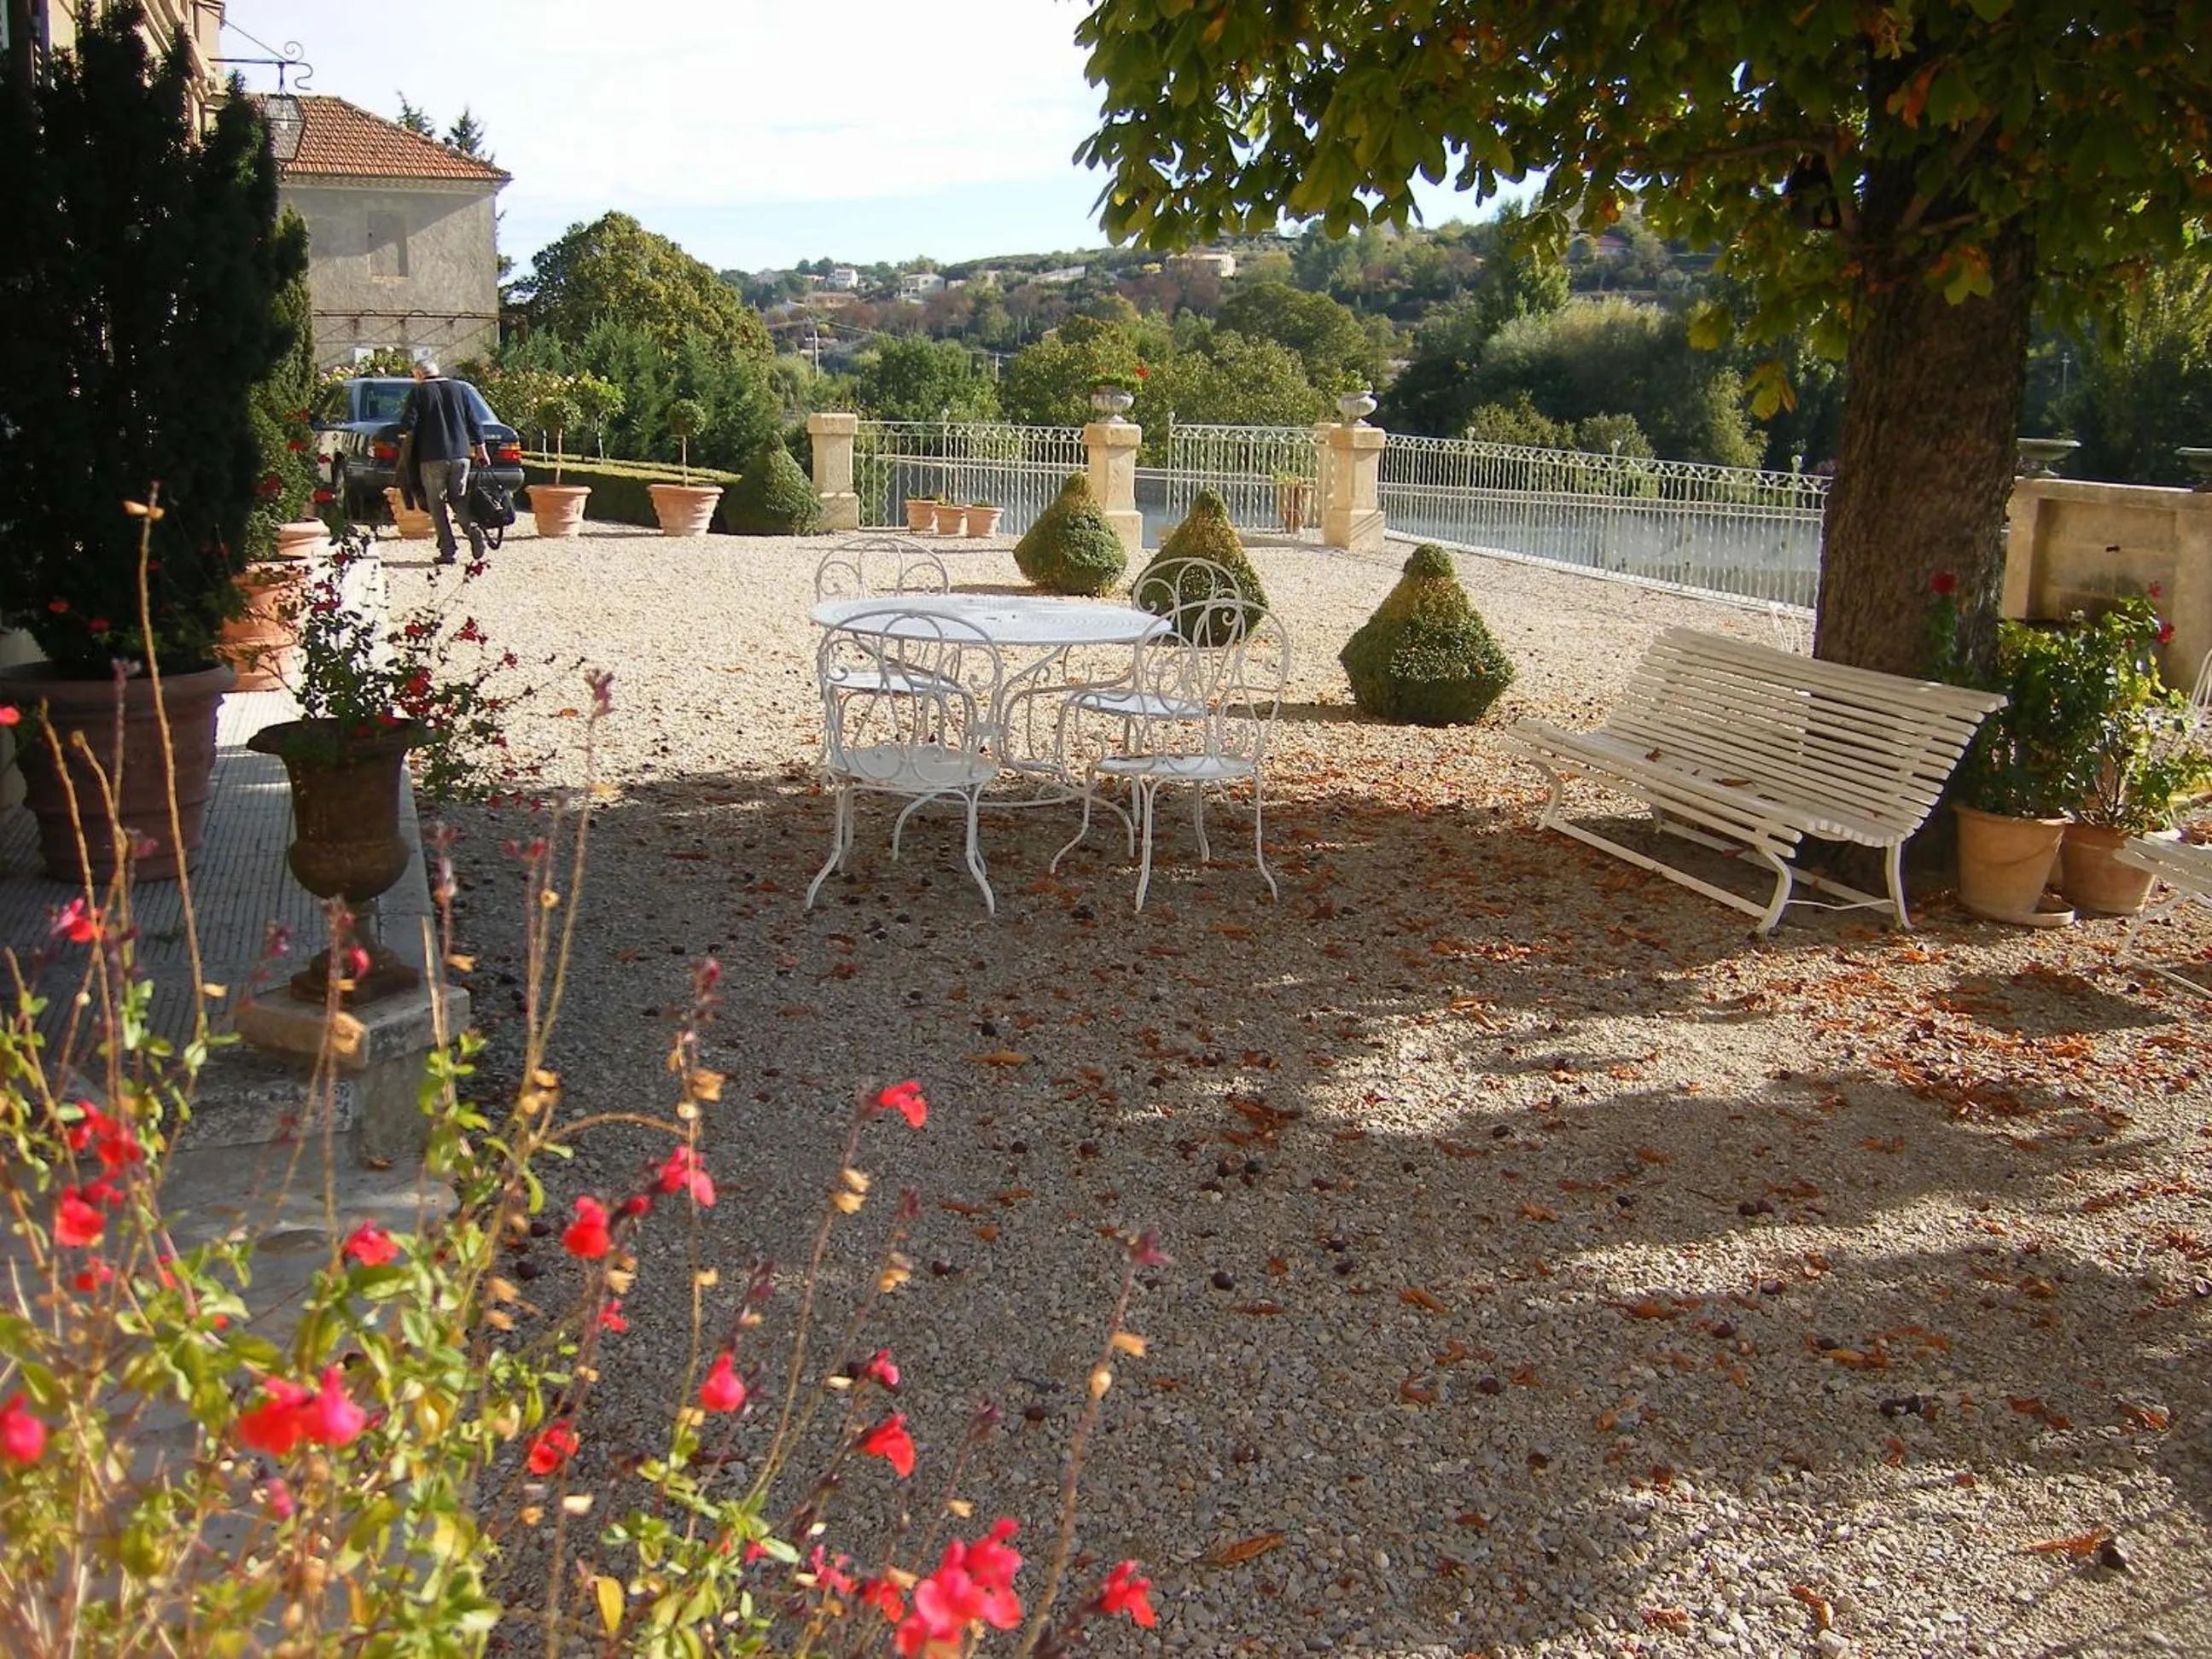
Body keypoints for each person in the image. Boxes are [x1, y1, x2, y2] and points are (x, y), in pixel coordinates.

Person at [397, 358, 488, 565]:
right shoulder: (459, 389)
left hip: (432, 456)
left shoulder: (419, 392)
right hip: (461, 454)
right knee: (458, 498)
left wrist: (402, 436)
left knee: (436, 503)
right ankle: (472, 529)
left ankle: (448, 550)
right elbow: (474, 421)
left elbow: (408, 422)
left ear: (419, 374)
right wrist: (481, 448)